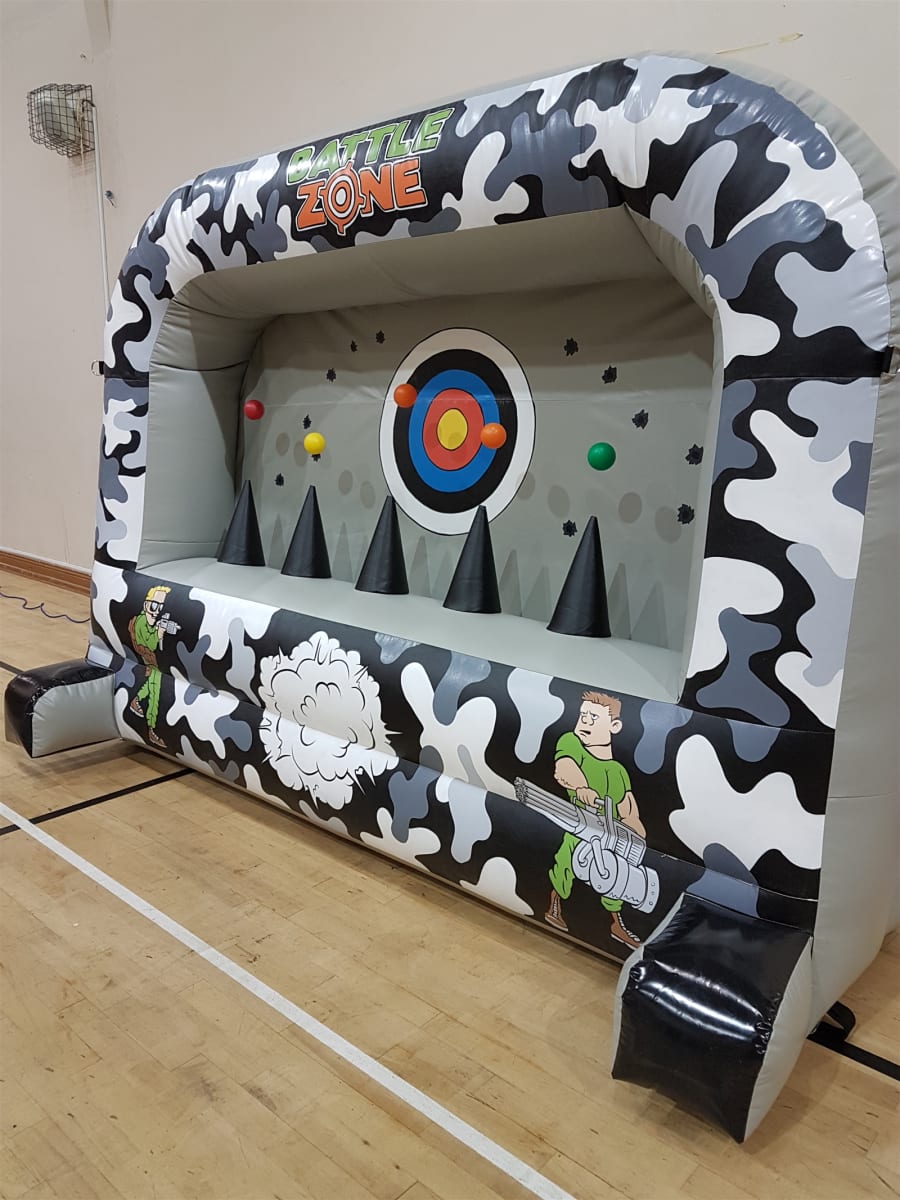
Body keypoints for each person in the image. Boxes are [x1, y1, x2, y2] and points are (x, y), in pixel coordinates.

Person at [545, 690, 645, 949]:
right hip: (580, 823)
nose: (585, 722)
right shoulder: (571, 742)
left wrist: (637, 830)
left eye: (593, 717)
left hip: (610, 833)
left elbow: (628, 807)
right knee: (566, 859)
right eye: (583, 716)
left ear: (614, 726)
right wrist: (581, 787)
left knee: (617, 874)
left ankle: (616, 923)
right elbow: (564, 768)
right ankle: (555, 903)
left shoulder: (618, 771)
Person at [128, 585, 173, 748]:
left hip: (151, 661)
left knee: (152, 683)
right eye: (154, 606)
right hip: (149, 660)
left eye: (160, 608)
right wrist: (158, 633)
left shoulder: (147, 621)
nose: (156, 612)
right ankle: (152, 729)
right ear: (146, 604)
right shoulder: (141, 622)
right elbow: (150, 643)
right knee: (154, 692)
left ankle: (137, 700)